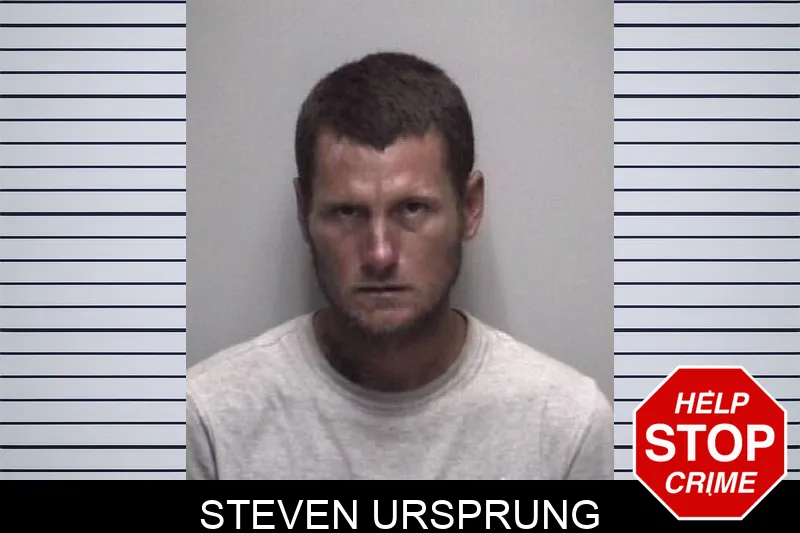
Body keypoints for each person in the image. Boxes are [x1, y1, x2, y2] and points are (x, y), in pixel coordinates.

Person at [186, 51, 613, 480]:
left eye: (412, 209)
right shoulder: (211, 421)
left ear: (470, 207)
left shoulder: (565, 427)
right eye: (347, 212)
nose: (380, 254)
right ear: (304, 212)